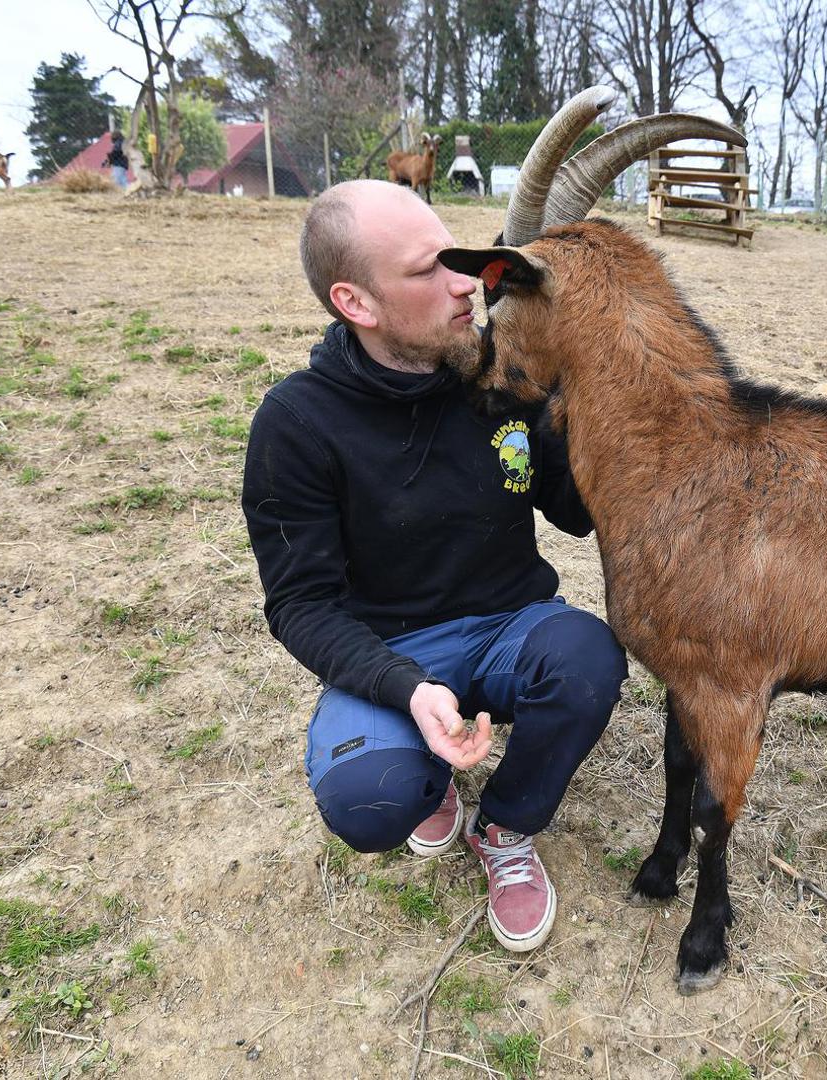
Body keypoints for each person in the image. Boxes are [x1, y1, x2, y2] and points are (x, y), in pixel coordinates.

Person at [242, 180, 627, 953]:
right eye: (429, 270)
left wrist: (584, 396)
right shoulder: (296, 424)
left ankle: (505, 827)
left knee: (588, 660)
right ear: (356, 302)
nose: (465, 284)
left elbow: (577, 511)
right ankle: (426, 770)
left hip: (512, 626)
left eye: (458, 259)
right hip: (393, 652)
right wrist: (406, 690)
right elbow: (301, 606)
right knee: (370, 797)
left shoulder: (503, 380)